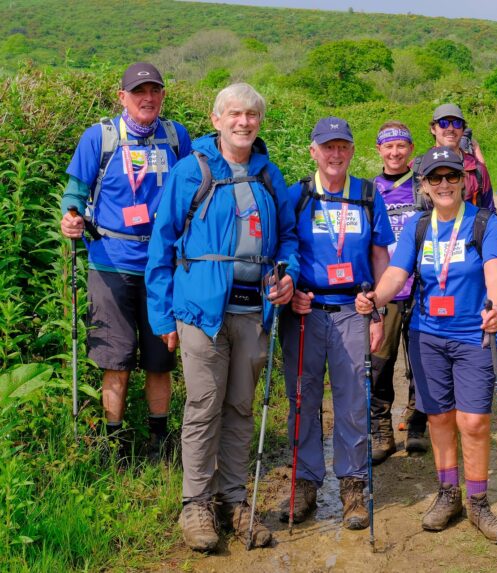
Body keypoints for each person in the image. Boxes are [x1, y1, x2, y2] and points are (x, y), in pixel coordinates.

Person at [146, 82, 299, 551]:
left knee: (239, 407)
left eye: (252, 115)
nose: (244, 122)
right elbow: (163, 242)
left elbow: (288, 238)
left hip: (253, 311)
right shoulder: (190, 172)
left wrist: (288, 273)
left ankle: (234, 500)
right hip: (200, 310)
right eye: (234, 114)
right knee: (204, 404)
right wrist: (162, 317)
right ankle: (195, 504)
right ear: (216, 120)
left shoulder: (269, 174)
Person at [356, 146, 497, 545]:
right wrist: (375, 298)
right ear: (423, 185)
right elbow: (396, 272)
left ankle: (478, 502)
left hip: (475, 334)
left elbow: (496, 266)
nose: (444, 184)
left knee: (473, 421)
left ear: (463, 181)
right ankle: (448, 494)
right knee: (440, 419)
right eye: (435, 178)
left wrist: (495, 304)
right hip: (428, 336)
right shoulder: (418, 227)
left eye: (452, 177)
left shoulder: (483, 222)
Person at [60, 62, 192, 458]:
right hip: (110, 263)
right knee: (114, 359)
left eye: (154, 91)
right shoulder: (99, 138)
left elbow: (194, 186)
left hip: (162, 266)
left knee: (160, 358)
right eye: (139, 93)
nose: (147, 99)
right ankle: (112, 443)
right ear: (123, 98)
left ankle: (159, 441)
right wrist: (71, 216)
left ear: (163, 96)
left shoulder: (175, 137)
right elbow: (74, 191)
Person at [280, 116, 394, 531]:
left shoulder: (367, 195)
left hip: (353, 311)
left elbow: (380, 256)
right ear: (313, 150)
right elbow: (284, 249)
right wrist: (291, 290)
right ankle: (304, 483)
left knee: (352, 402)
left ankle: (353, 486)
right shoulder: (297, 196)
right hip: (305, 313)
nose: (335, 154)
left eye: (342, 146)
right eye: (327, 146)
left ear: (351, 150)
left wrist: (378, 307)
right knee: (302, 399)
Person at [369, 121, 429, 464]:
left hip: (422, 288)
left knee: (420, 362)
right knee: (380, 362)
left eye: (401, 146)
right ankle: (381, 429)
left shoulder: (425, 189)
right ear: (379, 149)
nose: (395, 152)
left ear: (411, 149)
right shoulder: (368, 190)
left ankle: (417, 424)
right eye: (388, 147)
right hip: (385, 290)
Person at [417, 103, 495, 213]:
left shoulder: (477, 169)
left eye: (457, 123)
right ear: (433, 129)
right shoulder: (417, 166)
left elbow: (489, 211)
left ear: (463, 130)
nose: (450, 128)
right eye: (443, 123)